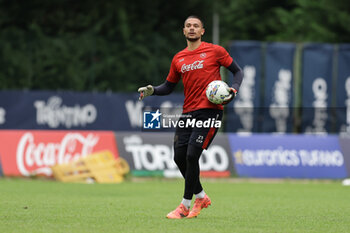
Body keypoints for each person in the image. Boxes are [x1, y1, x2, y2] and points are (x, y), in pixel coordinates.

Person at [138, 15, 244, 219]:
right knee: (179, 157)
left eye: (196, 26)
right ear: (184, 31)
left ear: (202, 31)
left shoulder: (215, 51)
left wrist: (234, 89)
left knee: (192, 155)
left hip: (210, 111)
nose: (192, 28)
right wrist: (153, 90)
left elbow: (238, 72)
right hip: (188, 112)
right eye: (188, 26)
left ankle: (184, 206)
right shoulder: (178, 58)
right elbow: (168, 86)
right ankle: (202, 197)